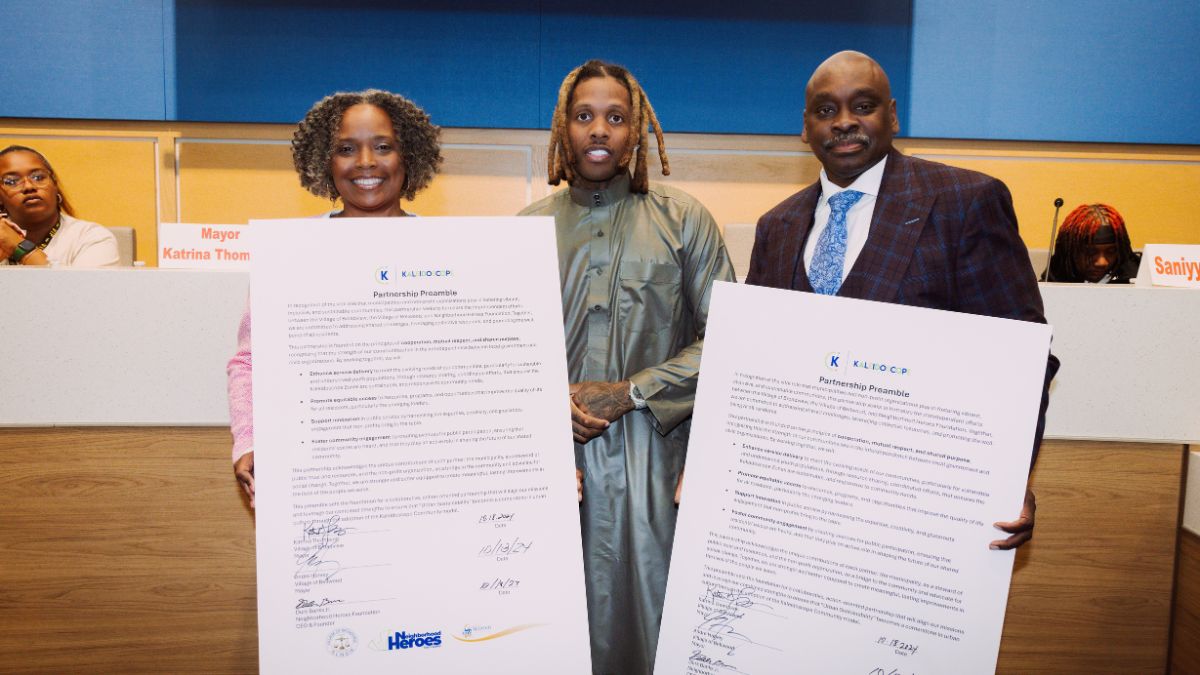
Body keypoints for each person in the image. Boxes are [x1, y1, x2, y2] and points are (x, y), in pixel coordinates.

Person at [746, 50, 1059, 550]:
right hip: (798, 508)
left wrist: (1007, 476)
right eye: (826, 111)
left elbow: (1020, 358)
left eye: (862, 106)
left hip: (917, 510)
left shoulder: (965, 202)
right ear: (804, 128)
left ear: (892, 114)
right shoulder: (776, 228)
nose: (844, 122)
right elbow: (753, 367)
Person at [519, 59, 736, 674]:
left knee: (658, 625)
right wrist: (543, 401)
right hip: (550, 463)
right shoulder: (523, 232)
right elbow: (499, 360)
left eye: (616, 118)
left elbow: (730, 340)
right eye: (583, 116)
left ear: (636, 131)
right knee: (548, 622)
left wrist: (633, 391)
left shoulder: (684, 219)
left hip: (656, 461)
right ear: (563, 128)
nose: (599, 130)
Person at [228, 90, 443, 507]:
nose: (366, 162)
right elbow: (249, 360)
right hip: (324, 470)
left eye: (384, 147)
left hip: (424, 470)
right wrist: (248, 441)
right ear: (324, 161)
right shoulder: (289, 251)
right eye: (346, 149)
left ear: (409, 157)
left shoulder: (448, 249)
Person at [0, 145, 120, 267]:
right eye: (11, 181)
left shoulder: (91, 237)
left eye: (38, 177)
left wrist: (20, 249)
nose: (29, 186)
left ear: (55, 185)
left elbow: (80, 286)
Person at [1047, 203, 1140, 283]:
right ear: (1069, 251)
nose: (1102, 262)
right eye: (1090, 252)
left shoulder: (1137, 281)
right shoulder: (1044, 289)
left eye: (1111, 251)